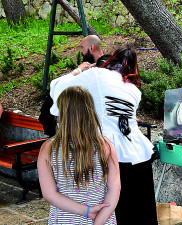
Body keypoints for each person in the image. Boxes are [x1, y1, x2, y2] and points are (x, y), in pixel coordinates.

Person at [49, 47, 157, 224]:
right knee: (140, 209)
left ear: (112, 59)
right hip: (138, 153)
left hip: (107, 150)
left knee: (113, 205)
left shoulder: (97, 75)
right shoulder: (134, 89)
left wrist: (77, 71)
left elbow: (60, 89)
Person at [37, 86, 120, 225]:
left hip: (64, 220)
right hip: (102, 218)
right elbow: (115, 189)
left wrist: (87, 211)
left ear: (62, 114)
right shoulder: (105, 145)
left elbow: (49, 194)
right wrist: (98, 222)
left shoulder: (49, 148)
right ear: (91, 112)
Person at [39, 34, 108, 137]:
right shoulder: (106, 66)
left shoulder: (96, 70)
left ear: (91, 48)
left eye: (82, 47)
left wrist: (77, 71)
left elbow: (57, 84)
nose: (81, 51)